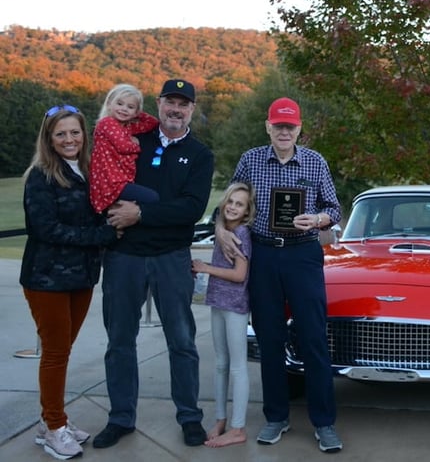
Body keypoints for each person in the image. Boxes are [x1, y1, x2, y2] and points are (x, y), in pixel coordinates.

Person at [215, 97, 343, 453]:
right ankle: (276, 416)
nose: (284, 131)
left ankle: (324, 422)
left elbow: (334, 208)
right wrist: (222, 227)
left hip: (302, 253)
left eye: (290, 126)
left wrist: (317, 220)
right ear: (268, 127)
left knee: (314, 337)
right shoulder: (251, 160)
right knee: (269, 338)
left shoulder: (315, 162)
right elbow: (230, 204)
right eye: (278, 125)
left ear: (299, 128)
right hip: (264, 253)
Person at [94, 79, 214, 449]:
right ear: (159, 104)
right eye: (170, 102)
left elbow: (190, 209)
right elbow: (106, 182)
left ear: (192, 109)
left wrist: (141, 213)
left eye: (184, 104)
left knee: (181, 341)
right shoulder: (132, 141)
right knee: (119, 343)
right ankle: (121, 418)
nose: (176, 109)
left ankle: (190, 417)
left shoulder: (199, 154)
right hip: (124, 257)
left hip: (170, 258)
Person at [21, 104, 120, 460]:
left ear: (84, 134)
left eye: (74, 132)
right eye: (60, 133)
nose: (69, 139)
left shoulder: (90, 169)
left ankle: (50, 420)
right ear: (49, 138)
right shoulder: (41, 175)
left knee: (61, 351)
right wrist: (102, 235)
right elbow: (46, 229)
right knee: (56, 353)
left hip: (81, 277)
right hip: (46, 278)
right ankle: (54, 428)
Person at [191, 182, 255, 448]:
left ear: (247, 211)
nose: (232, 207)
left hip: (236, 306)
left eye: (239, 204)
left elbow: (240, 275)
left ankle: (238, 427)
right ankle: (220, 419)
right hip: (218, 301)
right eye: (230, 201)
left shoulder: (241, 233)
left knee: (238, 366)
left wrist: (206, 267)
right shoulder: (223, 230)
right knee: (220, 364)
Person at [89, 83, 160, 214]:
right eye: (120, 104)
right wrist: (138, 145)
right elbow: (124, 147)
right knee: (152, 198)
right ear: (109, 103)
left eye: (130, 107)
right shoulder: (107, 123)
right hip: (110, 183)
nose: (124, 109)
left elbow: (153, 123)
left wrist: (138, 113)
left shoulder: (126, 127)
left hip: (120, 181)